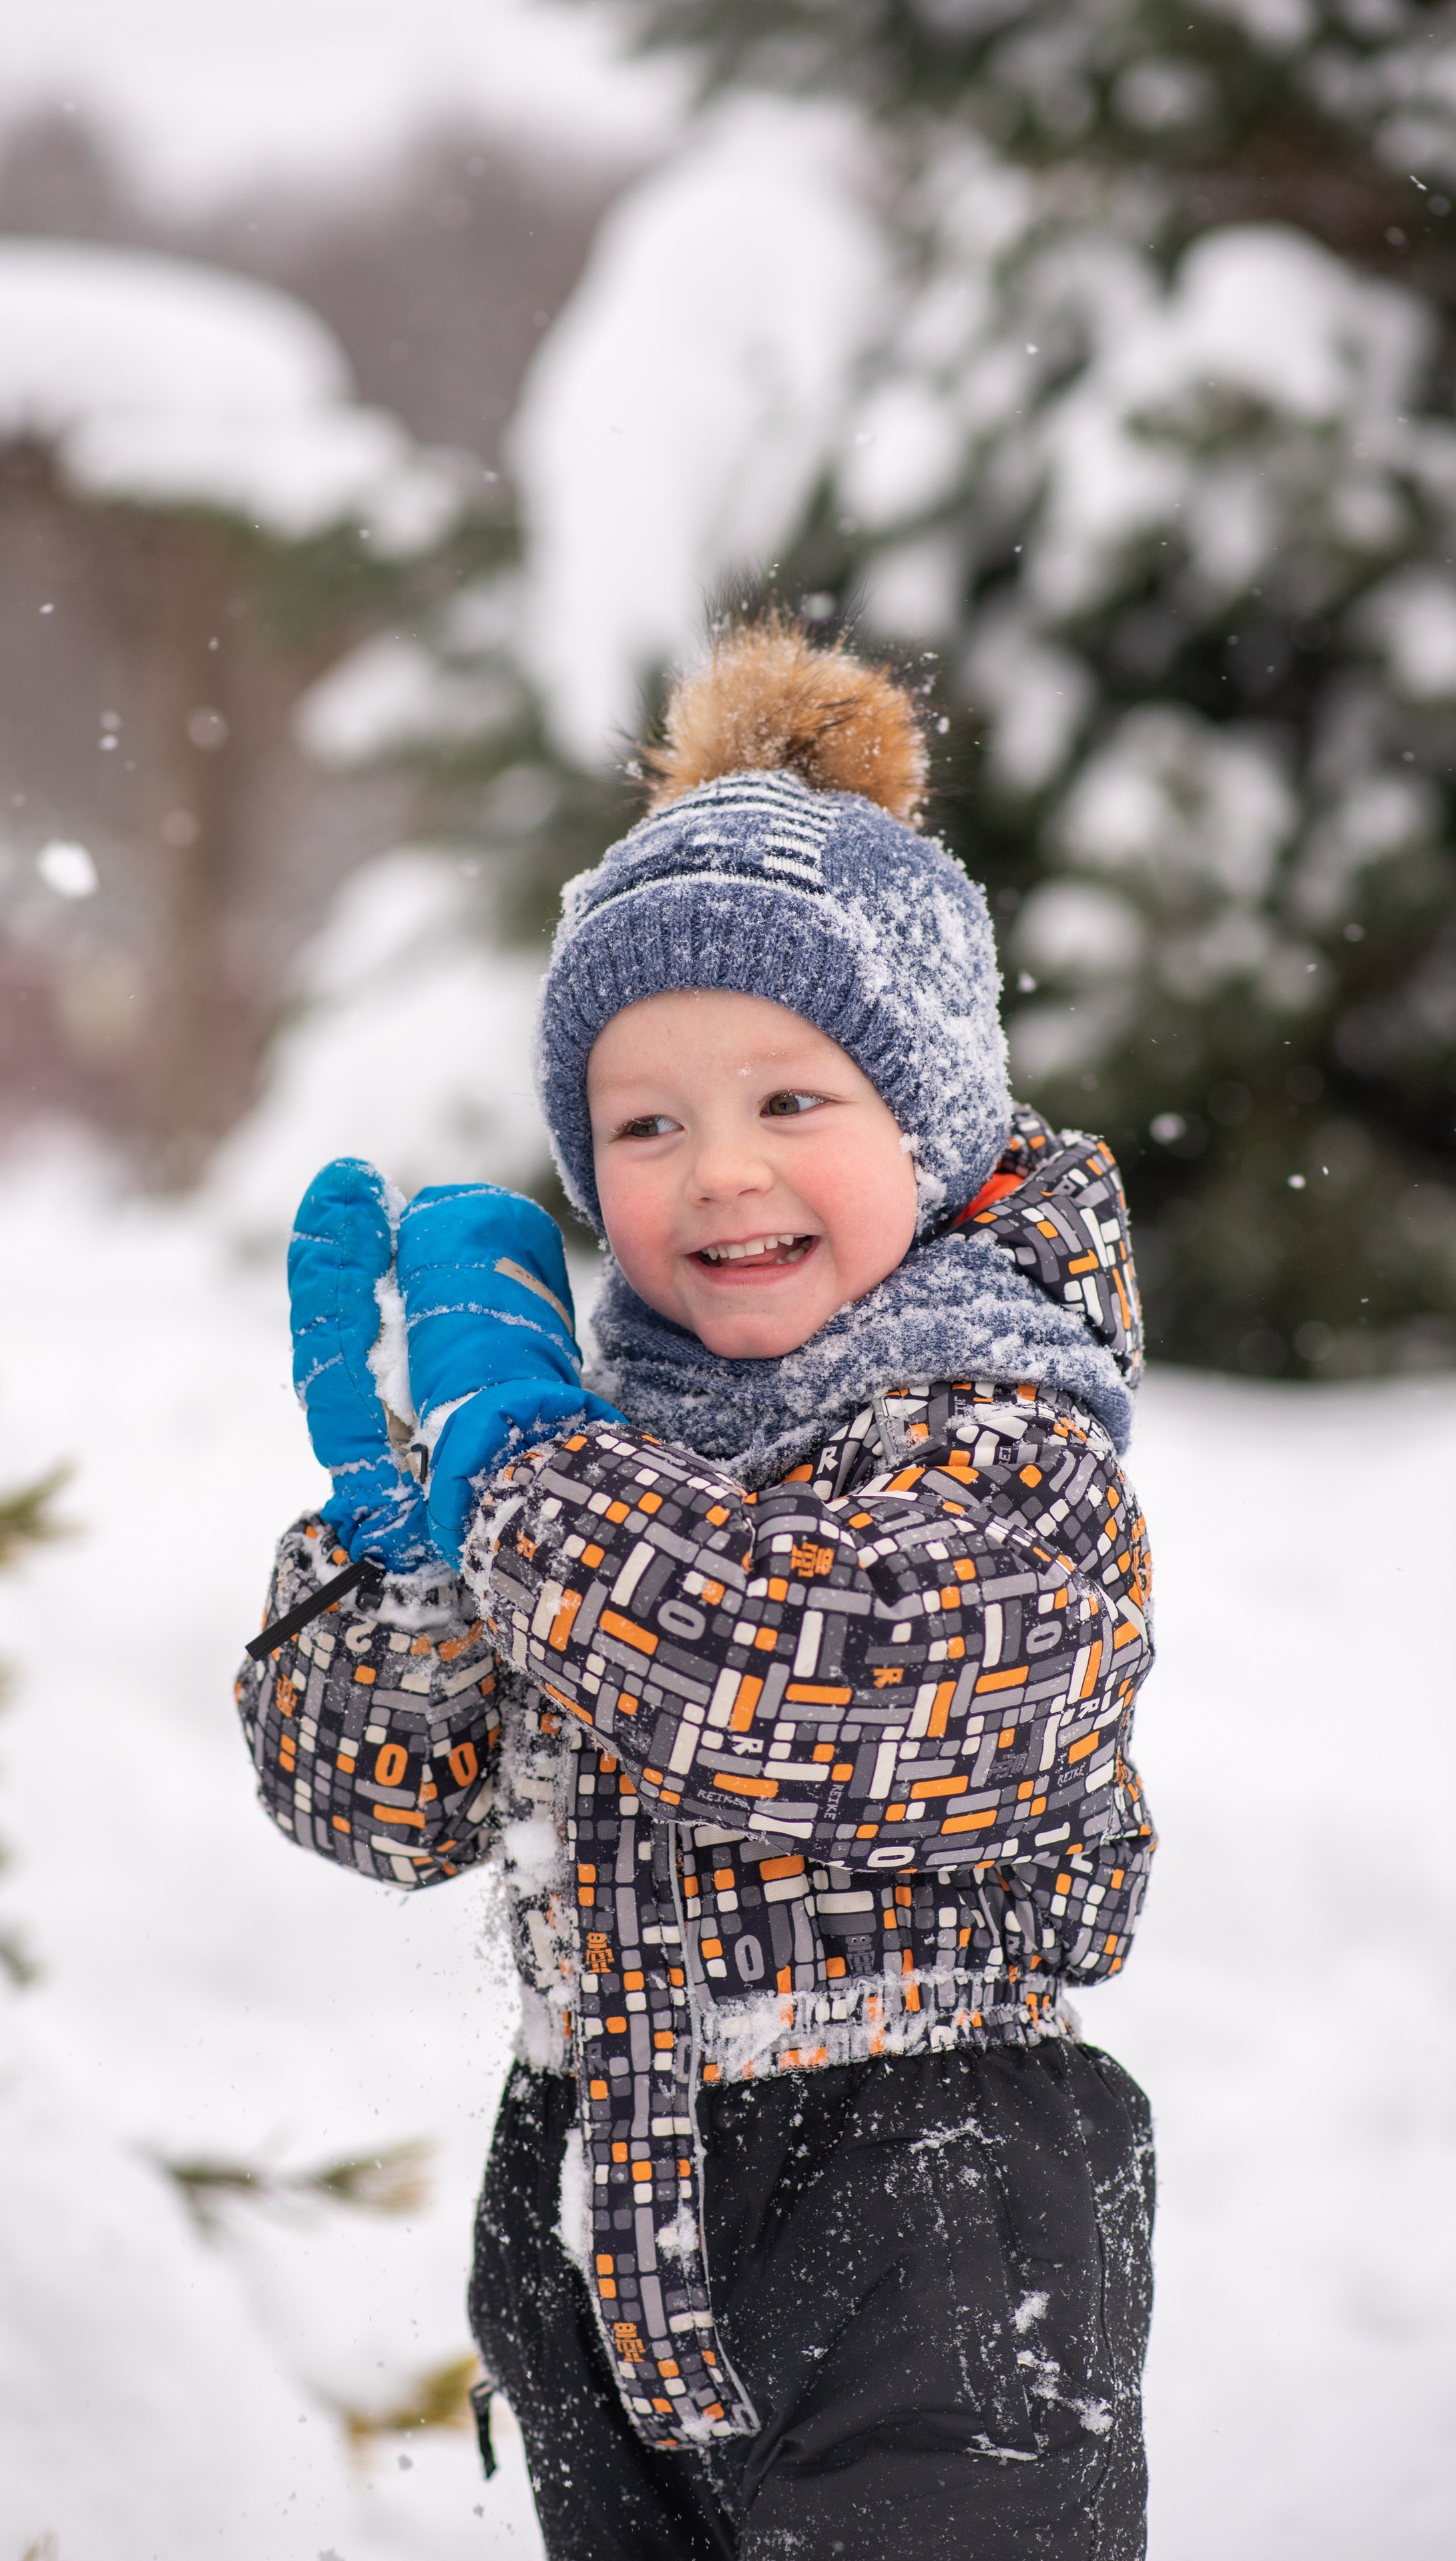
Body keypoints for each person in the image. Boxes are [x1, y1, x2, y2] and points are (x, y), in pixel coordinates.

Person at [236, 616, 1157, 2560]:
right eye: (645, 1124)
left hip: (928, 2219)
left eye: (791, 1102)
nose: (717, 1173)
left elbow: (807, 1678)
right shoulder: (578, 1444)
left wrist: (530, 1477)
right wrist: (411, 1563)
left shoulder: (1006, 1434)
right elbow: (370, 1803)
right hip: (587, 2213)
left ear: (935, 1115)